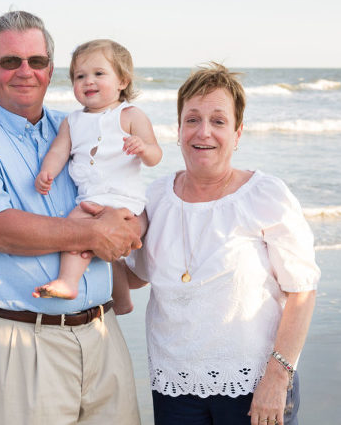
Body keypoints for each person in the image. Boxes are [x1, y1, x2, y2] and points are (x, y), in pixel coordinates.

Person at [0, 11, 142, 425]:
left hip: (103, 336)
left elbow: (127, 188)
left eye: (37, 61)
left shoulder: (76, 126)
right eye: (10, 61)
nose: (25, 71)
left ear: (50, 69)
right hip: (19, 344)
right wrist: (94, 233)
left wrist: (132, 228)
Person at [120, 63, 320, 425]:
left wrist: (278, 377)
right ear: (178, 130)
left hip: (255, 384)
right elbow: (135, 277)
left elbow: (302, 291)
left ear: (238, 133)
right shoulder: (155, 197)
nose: (204, 132)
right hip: (173, 385)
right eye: (192, 119)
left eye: (218, 120)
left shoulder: (265, 195)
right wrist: (88, 237)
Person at [33, 39, 162, 302]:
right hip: (91, 199)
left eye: (99, 74)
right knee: (74, 231)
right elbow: (59, 151)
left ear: (122, 81)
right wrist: (47, 171)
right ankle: (69, 282)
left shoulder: (130, 115)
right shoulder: (73, 121)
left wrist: (143, 148)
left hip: (125, 199)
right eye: (80, 76)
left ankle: (118, 294)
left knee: (113, 243)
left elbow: (155, 155)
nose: (88, 81)